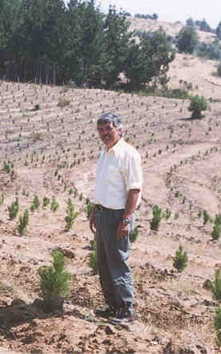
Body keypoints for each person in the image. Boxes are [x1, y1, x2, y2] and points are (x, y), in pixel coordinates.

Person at [89, 112, 143, 324]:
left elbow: (134, 189)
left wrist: (126, 219)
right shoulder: (105, 153)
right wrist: (95, 210)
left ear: (119, 130)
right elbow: (103, 185)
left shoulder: (128, 154)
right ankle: (113, 307)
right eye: (100, 130)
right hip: (103, 213)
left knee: (118, 262)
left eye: (108, 129)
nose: (104, 134)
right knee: (103, 263)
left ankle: (126, 309)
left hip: (117, 216)